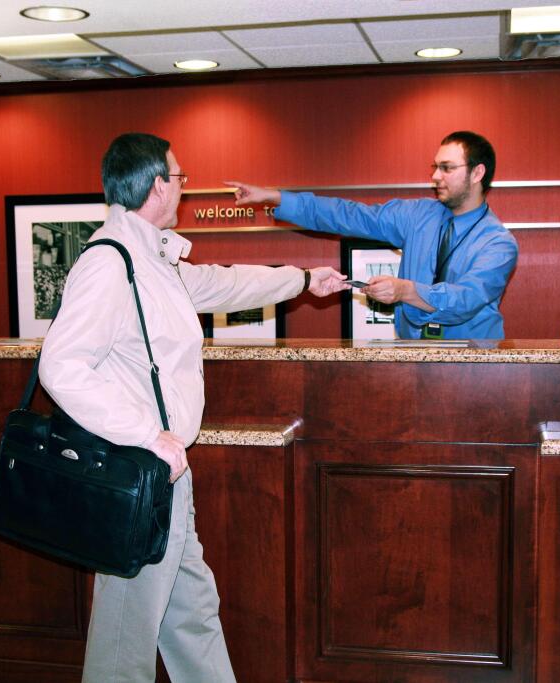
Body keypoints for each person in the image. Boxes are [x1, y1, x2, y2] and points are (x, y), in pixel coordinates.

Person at [38, 133, 347, 683]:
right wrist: (146, 434)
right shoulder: (110, 263)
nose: (182, 187)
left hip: (166, 475)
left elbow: (223, 284)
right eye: (179, 177)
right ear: (158, 185)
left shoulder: (153, 260)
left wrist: (302, 280)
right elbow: (60, 366)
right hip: (137, 471)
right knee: (124, 639)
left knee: (191, 616)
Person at [228, 131, 519, 339]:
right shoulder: (418, 215)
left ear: (477, 173)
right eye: (435, 167)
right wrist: (277, 198)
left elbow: (465, 300)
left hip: (474, 367)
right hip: (413, 358)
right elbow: (350, 216)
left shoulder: (498, 243)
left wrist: (405, 291)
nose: (435, 176)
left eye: (447, 168)